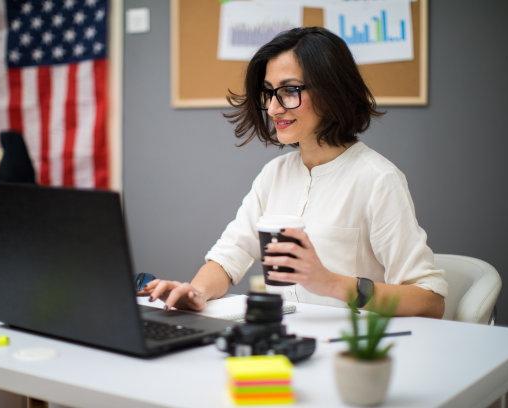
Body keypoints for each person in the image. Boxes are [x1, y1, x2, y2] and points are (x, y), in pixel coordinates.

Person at [139, 27, 447, 318]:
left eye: (289, 91)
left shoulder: (378, 179)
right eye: (269, 93)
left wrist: (331, 283)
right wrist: (195, 293)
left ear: (332, 91)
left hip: (350, 354)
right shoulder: (274, 174)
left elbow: (431, 300)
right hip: (286, 341)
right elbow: (227, 257)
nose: (273, 109)